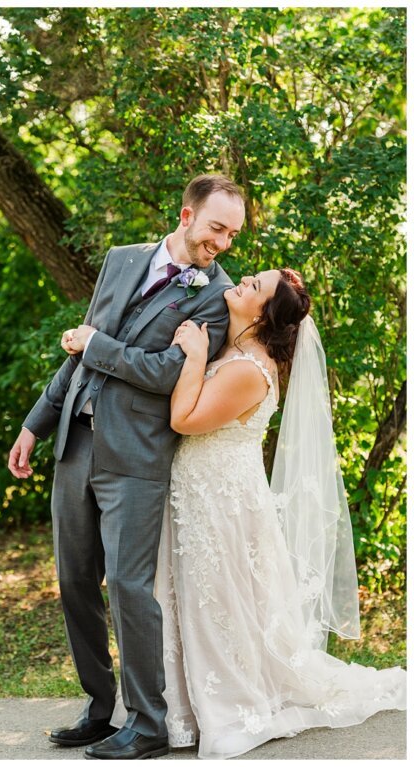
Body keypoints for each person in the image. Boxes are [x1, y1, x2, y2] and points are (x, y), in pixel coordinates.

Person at [8, 174, 244, 759]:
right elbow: (78, 353)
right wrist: (35, 423)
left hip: (138, 453)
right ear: (186, 216)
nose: (223, 244)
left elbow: (170, 373)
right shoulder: (121, 260)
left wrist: (96, 347)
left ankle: (148, 723)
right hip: (75, 442)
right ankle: (98, 708)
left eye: (233, 234)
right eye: (217, 228)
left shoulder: (220, 296)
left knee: (131, 588)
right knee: (72, 582)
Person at [156, 268, 406, 758]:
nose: (245, 279)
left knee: (218, 605)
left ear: (263, 314)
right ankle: (180, 704)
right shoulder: (237, 351)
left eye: (256, 285)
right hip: (203, 494)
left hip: (221, 504)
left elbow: (184, 419)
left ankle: (229, 704)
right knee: (199, 599)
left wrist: (196, 356)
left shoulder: (249, 370)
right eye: (251, 276)